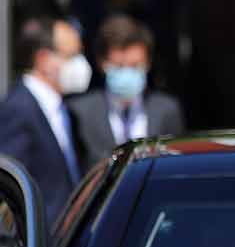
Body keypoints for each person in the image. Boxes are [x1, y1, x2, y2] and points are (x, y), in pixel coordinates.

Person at [0, 19, 93, 225]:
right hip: (41, 242)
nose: (80, 64)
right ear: (43, 59)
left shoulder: (66, 111)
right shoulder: (19, 109)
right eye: (71, 56)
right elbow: (8, 187)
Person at [70, 14, 185, 166]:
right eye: (119, 66)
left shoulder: (167, 109)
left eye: (135, 66)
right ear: (102, 63)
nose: (127, 74)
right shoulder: (79, 112)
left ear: (148, 62)